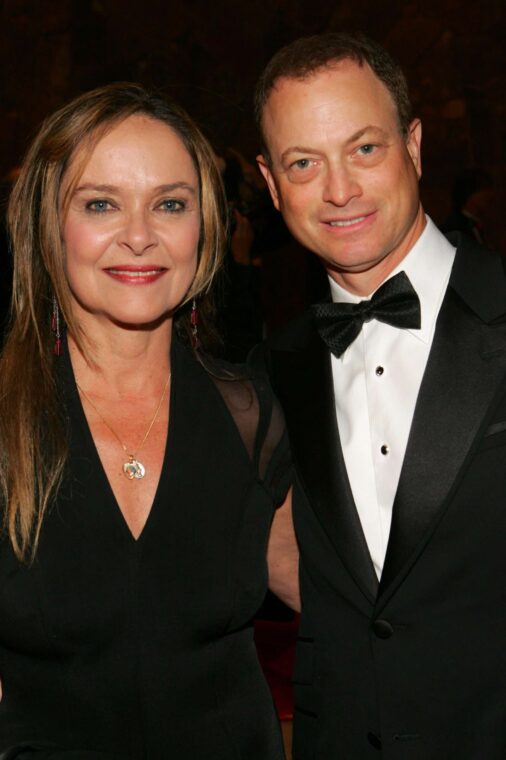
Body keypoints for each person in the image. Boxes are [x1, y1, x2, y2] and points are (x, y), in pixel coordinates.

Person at [0, 83, 292, 759]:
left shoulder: (251, 415)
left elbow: (356, 600)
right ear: (50, 222)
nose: (140, 235)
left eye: (170, 204)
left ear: (205, 225)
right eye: (101, 203)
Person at [252, 31, 506, 759]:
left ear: (414, 145)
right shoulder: (268, 371)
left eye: (364, 149)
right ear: (272, 185)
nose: (339, 190)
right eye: (305, 163)